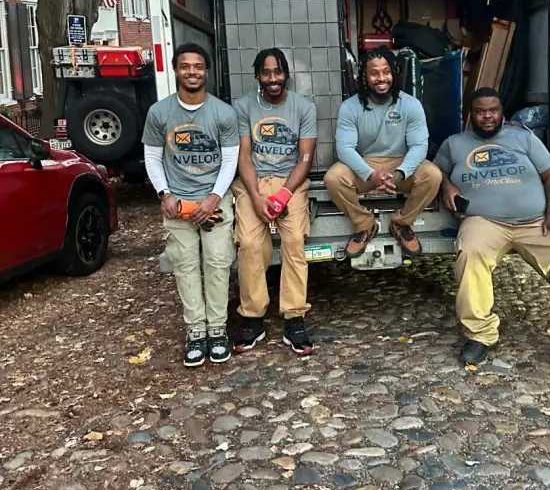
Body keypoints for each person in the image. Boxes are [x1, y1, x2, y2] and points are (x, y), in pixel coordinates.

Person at [435, 87, 550, 374]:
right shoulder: (454, 144)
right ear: (471, 113)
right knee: (471, 253)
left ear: (501, 111)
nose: (487, 116)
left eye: (492, 110)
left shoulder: (524, 138)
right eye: (480, 111)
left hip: (535, 221)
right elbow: (437, 171)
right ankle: (480, 334)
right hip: (485, 221)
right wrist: (447, 185)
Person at [142, 43, 239, 368]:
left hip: (216, 199)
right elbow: (153, 158)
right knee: (184, 267)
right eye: (186, 66)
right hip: (177, 201)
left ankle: (218, 331)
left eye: (198, 66)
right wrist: (165, 194)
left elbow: (230, 160)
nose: (192, 71)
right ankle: (196, 332)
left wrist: (214, 197)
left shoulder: (223, 113)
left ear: (206, 71)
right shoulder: (160, 113)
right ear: (176, 69)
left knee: (217, 263)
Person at [232, 48, 317, 356]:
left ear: (286, 75)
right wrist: (255, 197)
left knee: (294, 241)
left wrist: (284, 195)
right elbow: (244, 154)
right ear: (258, 75)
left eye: (278, 72)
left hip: (290, 182)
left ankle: (294, 317)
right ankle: (253, 318)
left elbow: (305, 157)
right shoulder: (243, 107)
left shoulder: (303, 107)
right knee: (251, 245)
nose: (272, 79)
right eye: (266, 73)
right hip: (252, 181)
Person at [325, 47, 442, 259]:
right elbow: (345, 148)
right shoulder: (350, 107)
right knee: (333, 178)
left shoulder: (411, 104)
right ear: (364, 77)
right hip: (365, 165)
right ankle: (365, 225)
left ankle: (401, 223)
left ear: (394, 74)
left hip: (401, 163)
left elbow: (419, 146)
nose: (381, 78)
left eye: (386, 72)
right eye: (374, 73)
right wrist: (371, 174)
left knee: (433, 175)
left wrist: (399, 173)